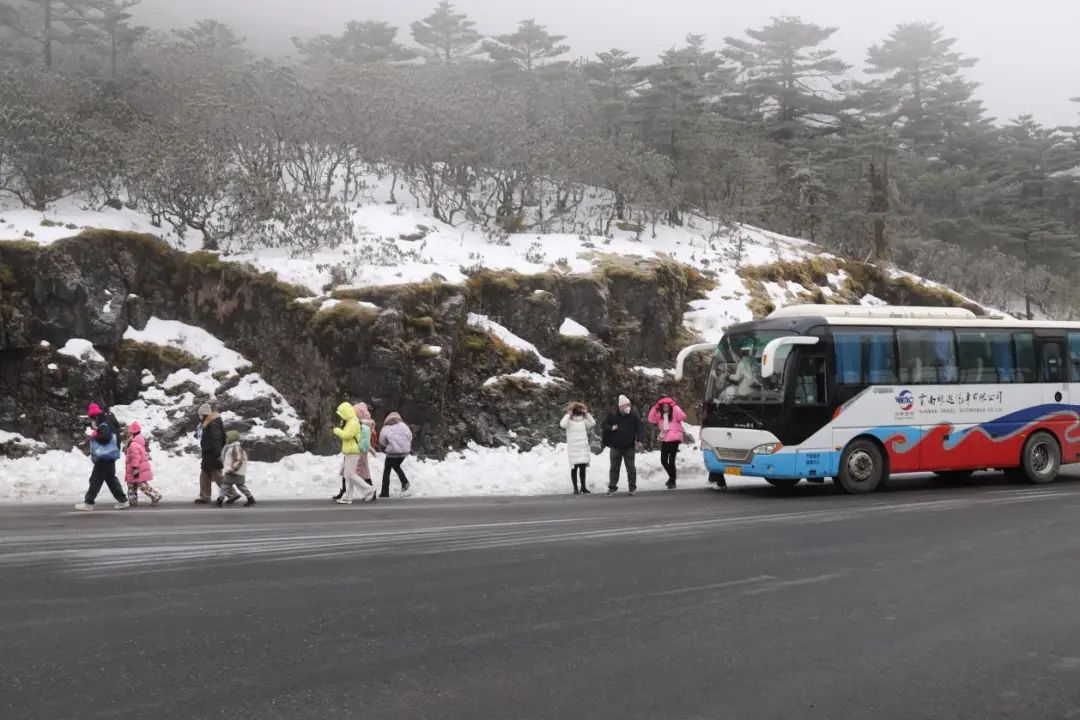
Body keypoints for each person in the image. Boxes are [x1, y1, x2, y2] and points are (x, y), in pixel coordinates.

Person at [74, 403, 129, 511]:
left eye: (92, 418)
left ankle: (88, 502)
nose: (92, 421)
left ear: (95, 416)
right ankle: (122, 500)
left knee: (96, 478)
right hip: (111, 454)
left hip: (105, 456)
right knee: (110, 479)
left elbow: (105, 437)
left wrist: (95, 435)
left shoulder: (104, 424)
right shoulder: (110, 421)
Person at [332, 403, 378, 502]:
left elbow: (347, 435)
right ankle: (347, 497)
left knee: (350, 474)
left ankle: (369, 489)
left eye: (342, 413)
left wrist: (336, 430)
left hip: (353, 451)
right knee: (348, 475)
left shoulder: (353, 422)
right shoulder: (351, 421)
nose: (341, 416)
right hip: (350, 451)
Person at [602, 395, 644, 497]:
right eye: (625, 405)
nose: (627, 407)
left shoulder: (633, 415)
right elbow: (603, 426)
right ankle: (612, 488)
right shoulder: (612, 415)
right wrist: (611, 427)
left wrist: (639, 440)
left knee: (631, 468)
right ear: (620, 406)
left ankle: (632, 488)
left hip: (629, 447)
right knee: (614, 468)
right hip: (615, 447)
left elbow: (639, 428)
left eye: (628, 405)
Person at [195, 404, 237, 505]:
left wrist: (218, 454)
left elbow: (217, 439)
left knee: (217, 475)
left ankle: (232, 493)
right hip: (208, 453)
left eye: (200, 415)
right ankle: (205, 496)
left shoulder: (213, 424)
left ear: (204, 415)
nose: (199, 417)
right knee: (204, 474)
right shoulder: (208, 423)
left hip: (213, 454)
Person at [648, 397, 687, 490]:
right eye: (663, 406)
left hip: (674, 438)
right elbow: (651, 419)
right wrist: (655, 407)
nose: (666, 408)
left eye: (667, 406)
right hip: (665, 439)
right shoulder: (659, 415)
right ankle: (672, 477)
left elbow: (683, 417)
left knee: (671, 459)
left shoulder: (675, 413)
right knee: (663, 460)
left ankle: (672, 480)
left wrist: (675, 406)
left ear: (670, 406)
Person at [560, 402, 596, 495]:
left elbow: (592, 423)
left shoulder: (583, 420)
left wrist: (586, 414)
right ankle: (576, 488)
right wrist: (568, 414)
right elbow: (562, 424)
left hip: (582, 447)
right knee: (574, 468)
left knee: (582, 468)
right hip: (574, 448)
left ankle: (583, 487)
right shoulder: (568, 420)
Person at [124, 421, 162, 506]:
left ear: (131, 432)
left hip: (135, 469)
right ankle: (132, 501)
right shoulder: (137, 442)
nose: (127, 433)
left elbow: (135, 457)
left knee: (140, 485)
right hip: (135, 468)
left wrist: (135, 468)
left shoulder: (133, 444)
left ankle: (155, 495)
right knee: (132, 485)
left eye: (129, 431)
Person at [378, 412, 413, 498]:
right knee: (396, 466)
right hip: (404, 452)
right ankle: (405, 482)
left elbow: (381, 441)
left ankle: (385, 492)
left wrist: (388, 445)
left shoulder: (386, 427)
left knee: (387, 470)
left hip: (392, 453)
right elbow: (410, 437)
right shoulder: (404, 426)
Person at [216, 431, 255, 507]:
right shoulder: (231, 447)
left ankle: (250, 498)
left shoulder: (236, 448)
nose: (226, 439)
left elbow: (238, 460)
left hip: (234, 472)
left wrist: (233, 469)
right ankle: (220, 500)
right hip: (231, 471)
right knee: (226, 485)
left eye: (227, 437)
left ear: (232, 438)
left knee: (239, 486)